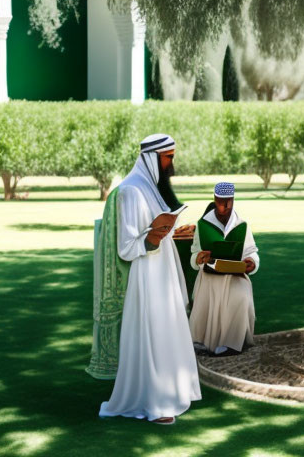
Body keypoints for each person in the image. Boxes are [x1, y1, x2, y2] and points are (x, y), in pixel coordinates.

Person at [96, 133, 201, 424]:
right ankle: (154, 403)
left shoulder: (152, 188)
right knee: (152, 332)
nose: (171, 163)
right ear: (153, 158)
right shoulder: (131, 191)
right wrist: (152, 238)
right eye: (168, 157)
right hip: (146, 275)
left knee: (167, 328)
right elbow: (127, 246)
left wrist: (165, 229)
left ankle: (173, 390)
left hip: (163, 269)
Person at [189, 182, 260, 356]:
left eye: (228, 201)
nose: (225, 206)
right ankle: (200, 341)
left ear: (233, 200)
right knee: (205, 295)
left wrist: (252, 262)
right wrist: (198, 258)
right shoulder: (203, 224)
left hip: (235, 274)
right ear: (215, 199)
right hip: (210, 275)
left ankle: (232, 343)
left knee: (241, 296)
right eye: (221, 201)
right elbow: (194, 254)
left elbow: (252, 252)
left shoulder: (241, 224)